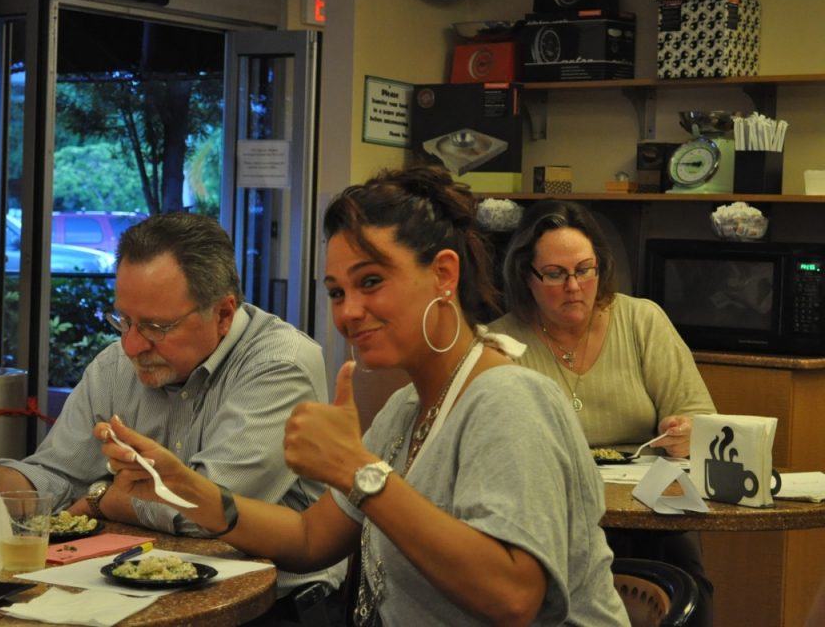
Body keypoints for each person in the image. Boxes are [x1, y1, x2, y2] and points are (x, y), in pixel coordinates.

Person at [96, 167, 629, 626]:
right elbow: (310, 538)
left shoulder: (508, 398)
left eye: (370, 281)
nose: (348, 311)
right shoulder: (407, 408)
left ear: (444, 272)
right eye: (336, 292)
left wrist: (360, 471)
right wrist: (183, 487)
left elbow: (513, 598)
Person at [0, 212, 344, 615]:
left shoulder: (280, 363)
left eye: (157, 326)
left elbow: (206, 512)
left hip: (272, 604)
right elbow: (61, 473)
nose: (133, 345)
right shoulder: (115, 365)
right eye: (124, 320)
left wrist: (105, 499)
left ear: (223, 314)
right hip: (141, 588)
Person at [487, 199, 717, 626]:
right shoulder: (501, 345)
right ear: (527, 276)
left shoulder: (642, 321)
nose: (574, 285)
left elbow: (703, 421)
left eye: (584, 269)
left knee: (688, 593)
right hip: (552, 518)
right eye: (555, 274)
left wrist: (685, 431)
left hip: (651, 516)